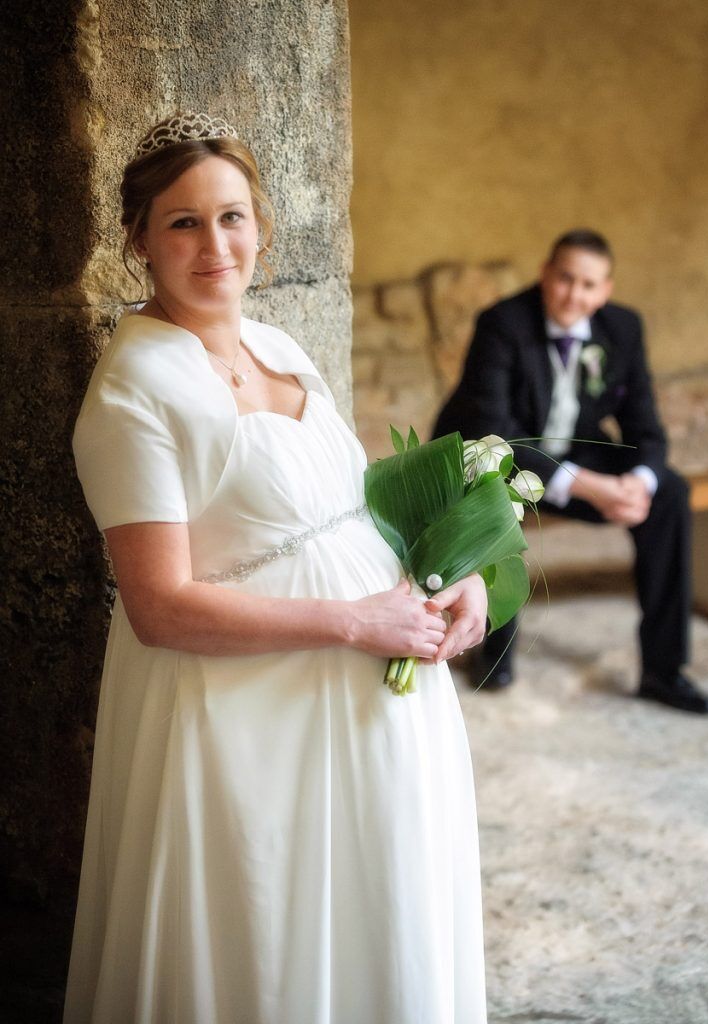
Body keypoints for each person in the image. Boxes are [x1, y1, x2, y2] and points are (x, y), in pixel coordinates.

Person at [64, 112, 489, 1024]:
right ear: (138, 239)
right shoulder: (130, 393)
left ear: (260, 225)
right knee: (270, 939)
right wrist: (354, 622)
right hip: (249, 729)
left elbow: (346, 503)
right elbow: (159, 608)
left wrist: (453, 566)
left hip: (375, 699)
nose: (215, 244)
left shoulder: (281, 349)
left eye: (232, 217)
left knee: (381, 918)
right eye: (183, 222)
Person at [434, 228, 708, 715]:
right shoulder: (502, 324)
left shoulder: (623, 329)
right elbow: (493, 432)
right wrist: (589, 486)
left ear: (605, 290)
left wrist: (637, 482)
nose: (574, 294)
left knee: (669, 491)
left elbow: (646, 428)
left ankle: (663, 670)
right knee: (495, 493)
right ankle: (494, 646)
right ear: (546, 274)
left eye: (589, 285)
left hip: (572, 454)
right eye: (565, 279)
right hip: (493, 457)